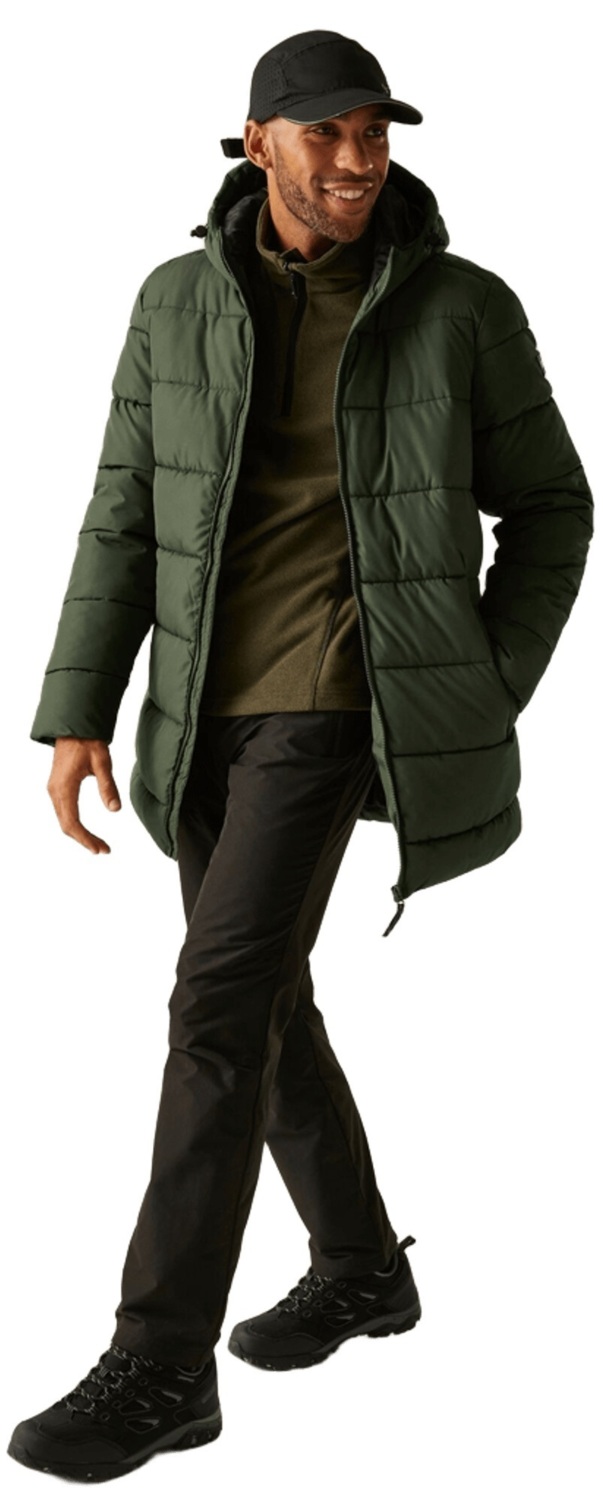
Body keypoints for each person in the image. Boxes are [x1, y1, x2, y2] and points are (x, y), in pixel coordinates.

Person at [8, 27, 593, 1485]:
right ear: (255, 140)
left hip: (338, 696)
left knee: (214, 1007)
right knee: (267, 997)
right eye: (324, 131)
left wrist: (471, 681)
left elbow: (554, 509)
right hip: (200, 705)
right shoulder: (174, 302)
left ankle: (160, 1363)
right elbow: (122, 505)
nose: (356, 157)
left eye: (374, 131)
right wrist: (80, 707)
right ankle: (360, 1267)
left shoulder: (459, 307)